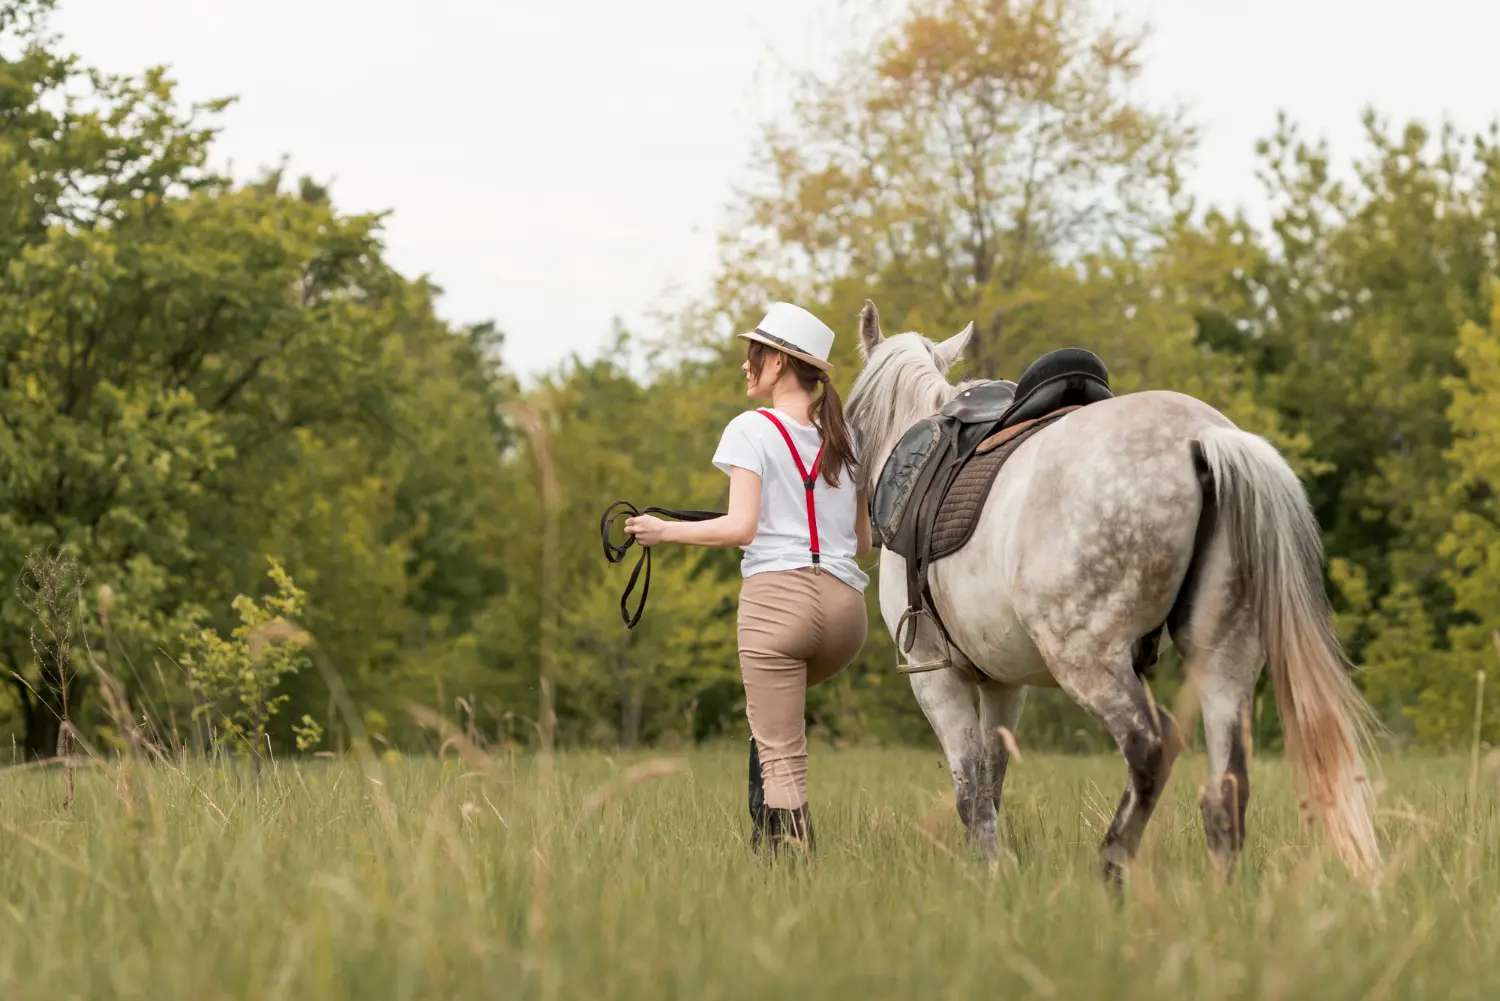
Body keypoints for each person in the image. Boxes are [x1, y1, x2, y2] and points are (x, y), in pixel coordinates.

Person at [625, 302, 871, 855]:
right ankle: (773, 852)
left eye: (753, 353)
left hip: (778, 605)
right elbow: (861, 543)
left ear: (780, 362)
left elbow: (741, 527)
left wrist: (663, 533)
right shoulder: (847, 437)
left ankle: (787, 874)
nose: (746, 364)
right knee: (772, 728)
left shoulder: (750, 428)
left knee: (782, 753)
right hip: (846, 613)